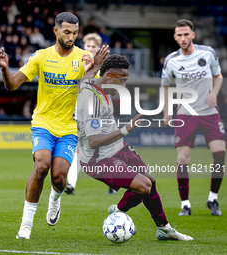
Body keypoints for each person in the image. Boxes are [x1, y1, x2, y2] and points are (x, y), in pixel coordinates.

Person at [0, 12, 94, 239]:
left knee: (59, 177)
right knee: (41, 166)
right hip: (43, 123)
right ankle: (26, 224)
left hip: (69, 128)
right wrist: (4, 69)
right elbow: (12, 85)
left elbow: (95, 93)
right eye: (67, 32)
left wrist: (91, 70)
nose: (71, 37)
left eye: (75, 33)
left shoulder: (84, 58)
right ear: (56, 31)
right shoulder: (40, 57)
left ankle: (55, 200)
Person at [77, 54, 193, 241]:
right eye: (121, 81)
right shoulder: (92, 101)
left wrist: (94, 66)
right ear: (109, 77)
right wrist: (125, 129)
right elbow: (93, 141)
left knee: (150, 181)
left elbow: (85, 79)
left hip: (117, 148)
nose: (123, 86)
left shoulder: (92, 84)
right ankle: (118, 211)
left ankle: (164, 229)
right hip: (97, 159)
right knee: (143, 186)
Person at [161, 19, 225, 216]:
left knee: (220, 153)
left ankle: (212, 199)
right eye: (179, 35)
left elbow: (218, 76)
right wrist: (167, 111)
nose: (183, 38)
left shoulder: (207, 53)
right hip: (186, 113)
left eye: (186, 34)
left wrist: (214, 92)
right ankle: (185, 205)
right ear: (175, 37)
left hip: (209, 112)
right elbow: (165, 85)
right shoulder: (171, 61)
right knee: (182, 159)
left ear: (193, 35)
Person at [65, 32, 117, 195]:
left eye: (94, 47)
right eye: (87, 46)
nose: (90, 49)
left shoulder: (105, 68)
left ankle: (114, 181)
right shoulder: (77, 64)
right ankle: (71, 184)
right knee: (79, 149)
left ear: (99, 49)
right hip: (81, 113)